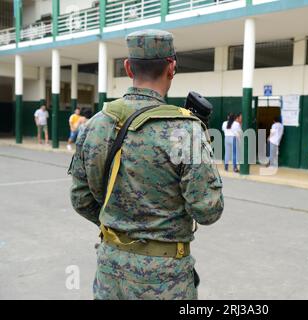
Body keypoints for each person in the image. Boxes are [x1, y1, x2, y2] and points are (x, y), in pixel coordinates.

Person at [69, 29, 224, 300]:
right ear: (172, 68)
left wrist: (122, 226)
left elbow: (81, 199)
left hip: (111, 269)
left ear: (129, 68)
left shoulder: (95, 124)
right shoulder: (186, 131)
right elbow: (208, 210)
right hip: (165, 278)